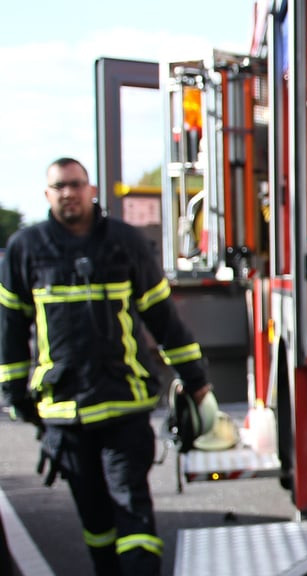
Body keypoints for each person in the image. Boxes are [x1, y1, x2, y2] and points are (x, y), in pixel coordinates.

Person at [0, 157, 219, 575]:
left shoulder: (125, 243)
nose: (69, 193)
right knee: (95, 519)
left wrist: (195, 379)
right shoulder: (26, 250)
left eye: (76, 184)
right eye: (60, 186)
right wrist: (15, 395)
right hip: (64, 414)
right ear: (47, 195)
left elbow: (162, 319)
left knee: (133, 508)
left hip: (124, 406)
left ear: (92, 189)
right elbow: (10, 329)